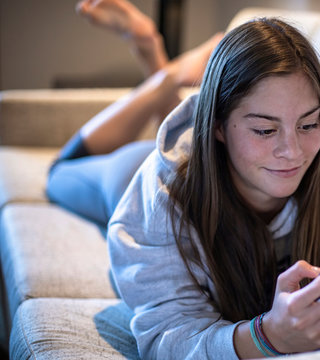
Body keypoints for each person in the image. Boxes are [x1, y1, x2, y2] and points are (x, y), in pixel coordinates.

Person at [105, 15, 320, 360]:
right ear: (219, 125)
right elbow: (168, 341)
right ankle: (159, 61)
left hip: (209, 157)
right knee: (63, 173)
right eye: (265, 131)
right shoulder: (162, 196)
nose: (294, 152)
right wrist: (268, 337)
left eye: (308, 124)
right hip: (122, 173)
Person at [47, 0, 223, 226]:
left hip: (152, 170)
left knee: (59, 170)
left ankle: (164, 68)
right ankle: (167, 71)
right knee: (58, 172)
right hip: (149, 175)